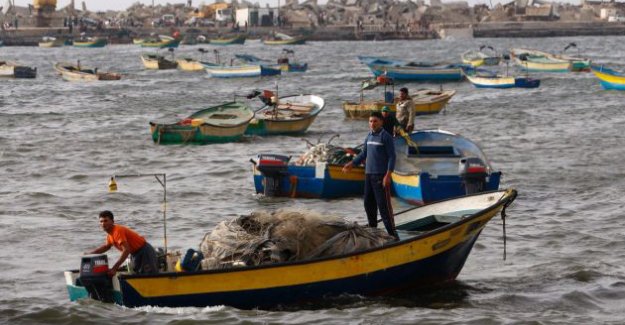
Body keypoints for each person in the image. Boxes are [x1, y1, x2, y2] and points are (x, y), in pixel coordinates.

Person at [343, 112, 398, 239]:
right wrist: (352, 163)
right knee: (368, 204)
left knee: (384, 208)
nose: (372, 124)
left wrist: (388, 175)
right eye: (370, 121)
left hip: (380, 176)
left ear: (381, 122)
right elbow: (364, 154)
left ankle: (393, 235)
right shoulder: (369, 136)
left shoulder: (386, 136)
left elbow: (392, 156)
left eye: (375, 121)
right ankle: (373, 231)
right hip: (369, 175)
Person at [88, 210, 158, 276]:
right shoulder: (110, 235)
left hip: (144, 251)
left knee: (149, 275)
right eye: (101, 221)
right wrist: (90, 254)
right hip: (134, 254)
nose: (103, 223)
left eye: (106, 221)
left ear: (112, 221)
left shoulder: (117, 230)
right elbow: (106, 247)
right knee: (137, 274)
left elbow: (126, 250)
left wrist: (114, 268)